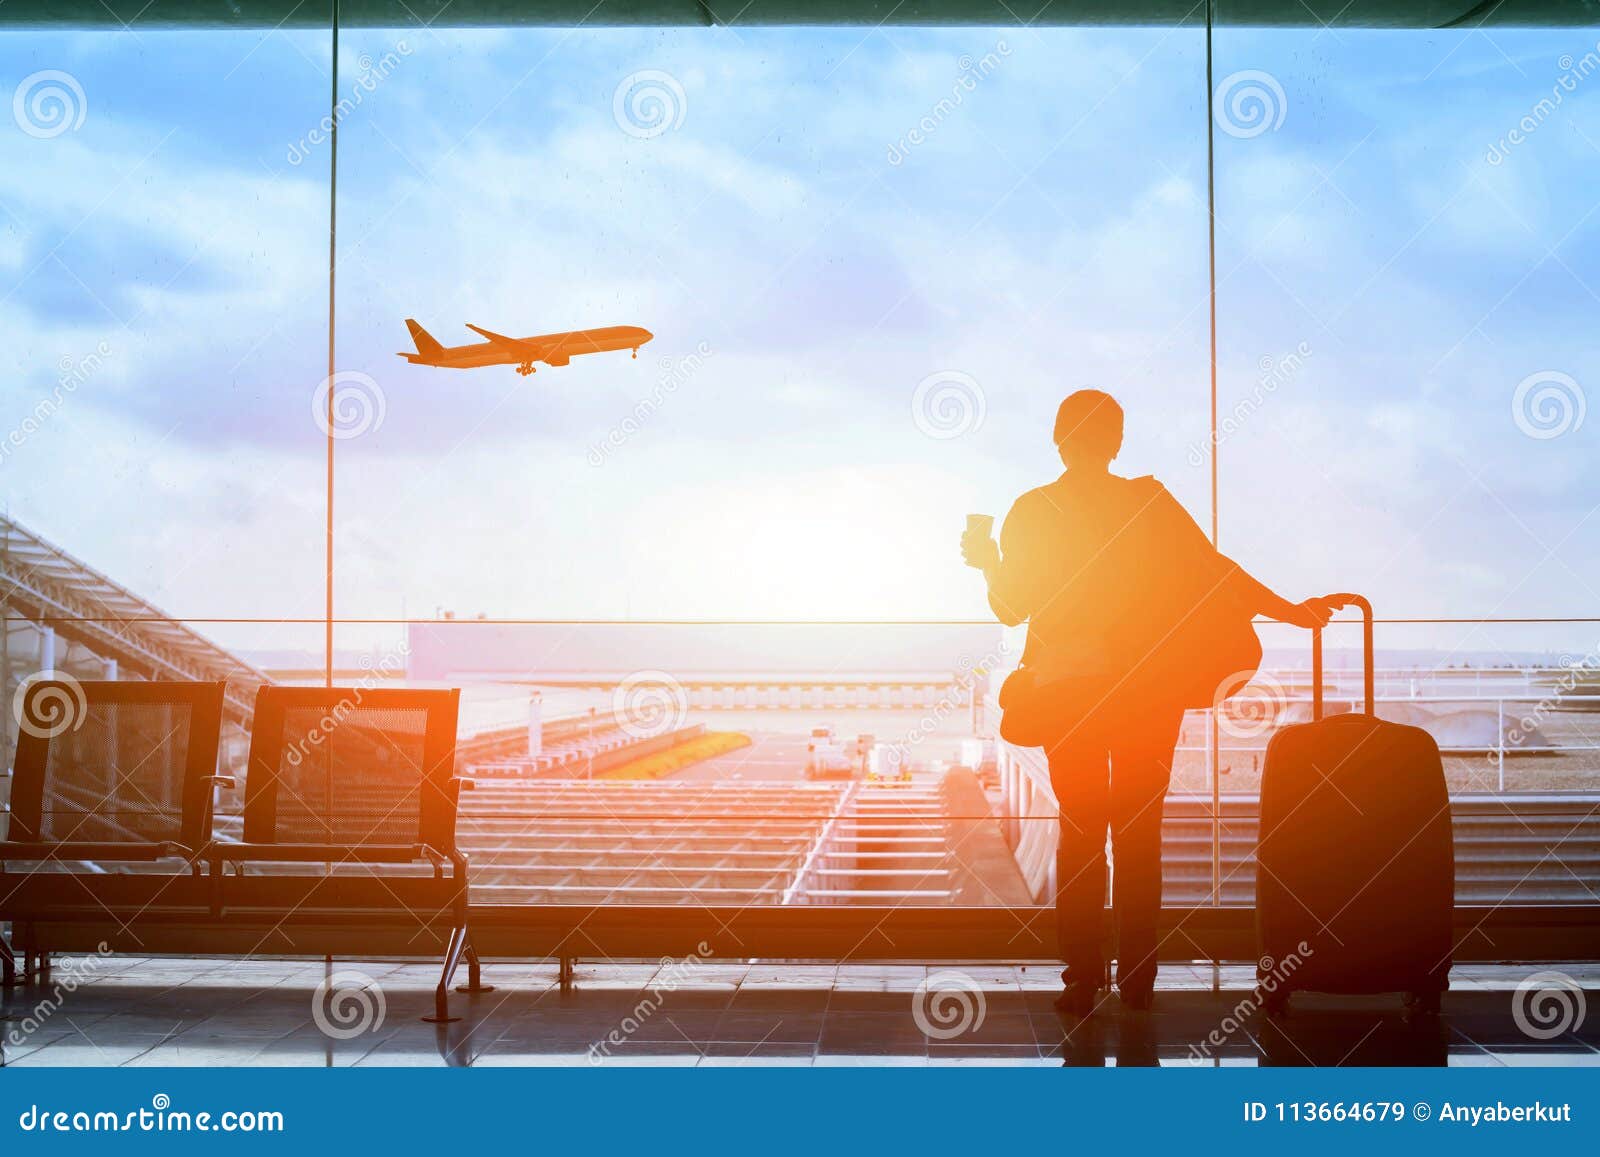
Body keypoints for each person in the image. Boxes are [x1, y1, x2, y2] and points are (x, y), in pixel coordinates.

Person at [961, 389, 1335, 1016]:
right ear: (1116, 441)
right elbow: (1217, 572)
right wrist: (1292, 613)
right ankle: (1137, 980)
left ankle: (1081, 980)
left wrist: (987, 561)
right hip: (1146, 695)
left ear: (1059, 438)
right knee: (1139, 837)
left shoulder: (1034, 508)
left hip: (1069, 695)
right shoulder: (1149, 503)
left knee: (1081, 835)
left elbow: (1010, 608)